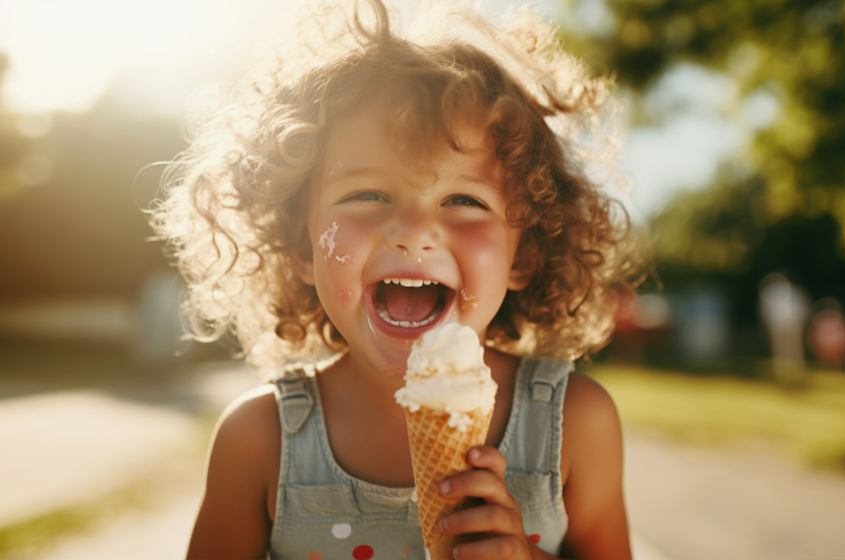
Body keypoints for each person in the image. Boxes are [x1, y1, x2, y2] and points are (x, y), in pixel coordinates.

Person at [150, 1, 647, 558]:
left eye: (464, 200)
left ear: (524, 255)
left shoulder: (573, 425)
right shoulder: (259, 439)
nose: (413, 233)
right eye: (367, 194)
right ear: (303, 248)